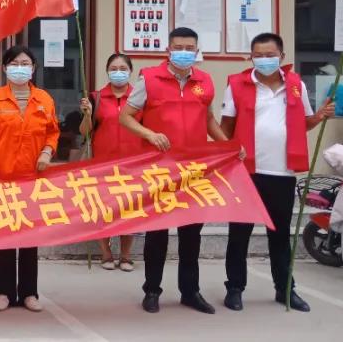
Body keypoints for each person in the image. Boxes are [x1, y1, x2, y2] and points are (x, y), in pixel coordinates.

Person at [220, 32, 334, 312]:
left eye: (270, 55)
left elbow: (302, 123)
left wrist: (319, 117)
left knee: (280, 235)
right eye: (258, 55)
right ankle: (235, 288)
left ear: (282, 56)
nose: (264, 59)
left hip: (282, 173)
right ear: (250, 57)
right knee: (239, 234)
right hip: (245, 172)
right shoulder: (236, 84)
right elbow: (225, 128)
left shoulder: (296, 85)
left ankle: (285, 289)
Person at [119, 27, 230, 314]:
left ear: (197, 51)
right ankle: (152, 290)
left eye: (189, 48)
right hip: (159, 169)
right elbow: (125, 117)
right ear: (168, 50)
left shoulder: (204, 81)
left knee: (191, 234)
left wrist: (227, 146)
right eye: (178, 47)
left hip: (194, 170)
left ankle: (190, 292)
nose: (184, 52)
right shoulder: (149, 78)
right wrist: (149, 134)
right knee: (157, 234)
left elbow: (208, 119)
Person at [0, 46, 59, 312]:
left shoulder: (44, 99)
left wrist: (47, 152)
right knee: (7, 236)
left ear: (33, 68)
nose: (20, 68)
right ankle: (3, 292)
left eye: (25, 63)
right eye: (14, 63)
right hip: (3, 177)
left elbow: (53, 132)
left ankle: (29, 293)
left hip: (34, 177)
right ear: (5, 68)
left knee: (30, 237)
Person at [79, 53, 140, 272]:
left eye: (123, 69)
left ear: (130, 71)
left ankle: (125, 256)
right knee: (104, 209)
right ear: (107, 71)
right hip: (103, 163)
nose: (118, 72)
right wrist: (87, 115)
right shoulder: (96, 97)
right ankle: (106, 253)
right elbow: (84, 132)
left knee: (130, 210)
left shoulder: (139, 97)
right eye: (114, 69)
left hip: (133, 163)